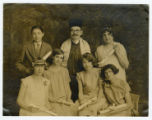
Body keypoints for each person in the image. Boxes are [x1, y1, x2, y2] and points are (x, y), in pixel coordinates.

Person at [61, 19, 91, 102]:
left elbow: (88, 62)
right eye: (72, 30)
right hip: (68, 75)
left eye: (77, 30)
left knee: (81, 98)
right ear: (70, 32)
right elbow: (60, 61)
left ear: (81, 32)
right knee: (69, 97)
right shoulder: (64, 44)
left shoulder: (86, 45)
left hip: (82, 76)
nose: (75, 33)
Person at [43, 49, 77, 116]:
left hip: (65, 100)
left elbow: (67, 88)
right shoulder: (46, 72)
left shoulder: (64, 71)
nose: (59, 60)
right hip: (53, 101)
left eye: (61, 58)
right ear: (52, 57)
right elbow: (45, 91)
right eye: (57, 57)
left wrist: (68, 99)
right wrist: (55, 100)